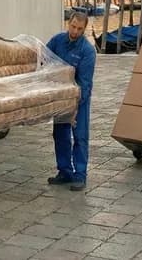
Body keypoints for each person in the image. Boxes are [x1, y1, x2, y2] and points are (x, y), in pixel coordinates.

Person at [46, 13, 96, 191]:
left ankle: (80, 175)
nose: (75, 31)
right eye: (73, 26)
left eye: (79, 29)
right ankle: (65, 172)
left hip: (78, 99)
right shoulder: (57, 41)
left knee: (80, 136)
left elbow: (85, 84)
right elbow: (44, 59)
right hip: (60, 97)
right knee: (60, 134)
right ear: (69, 23)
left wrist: (75, 107)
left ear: (84, 29)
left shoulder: (87, 51)